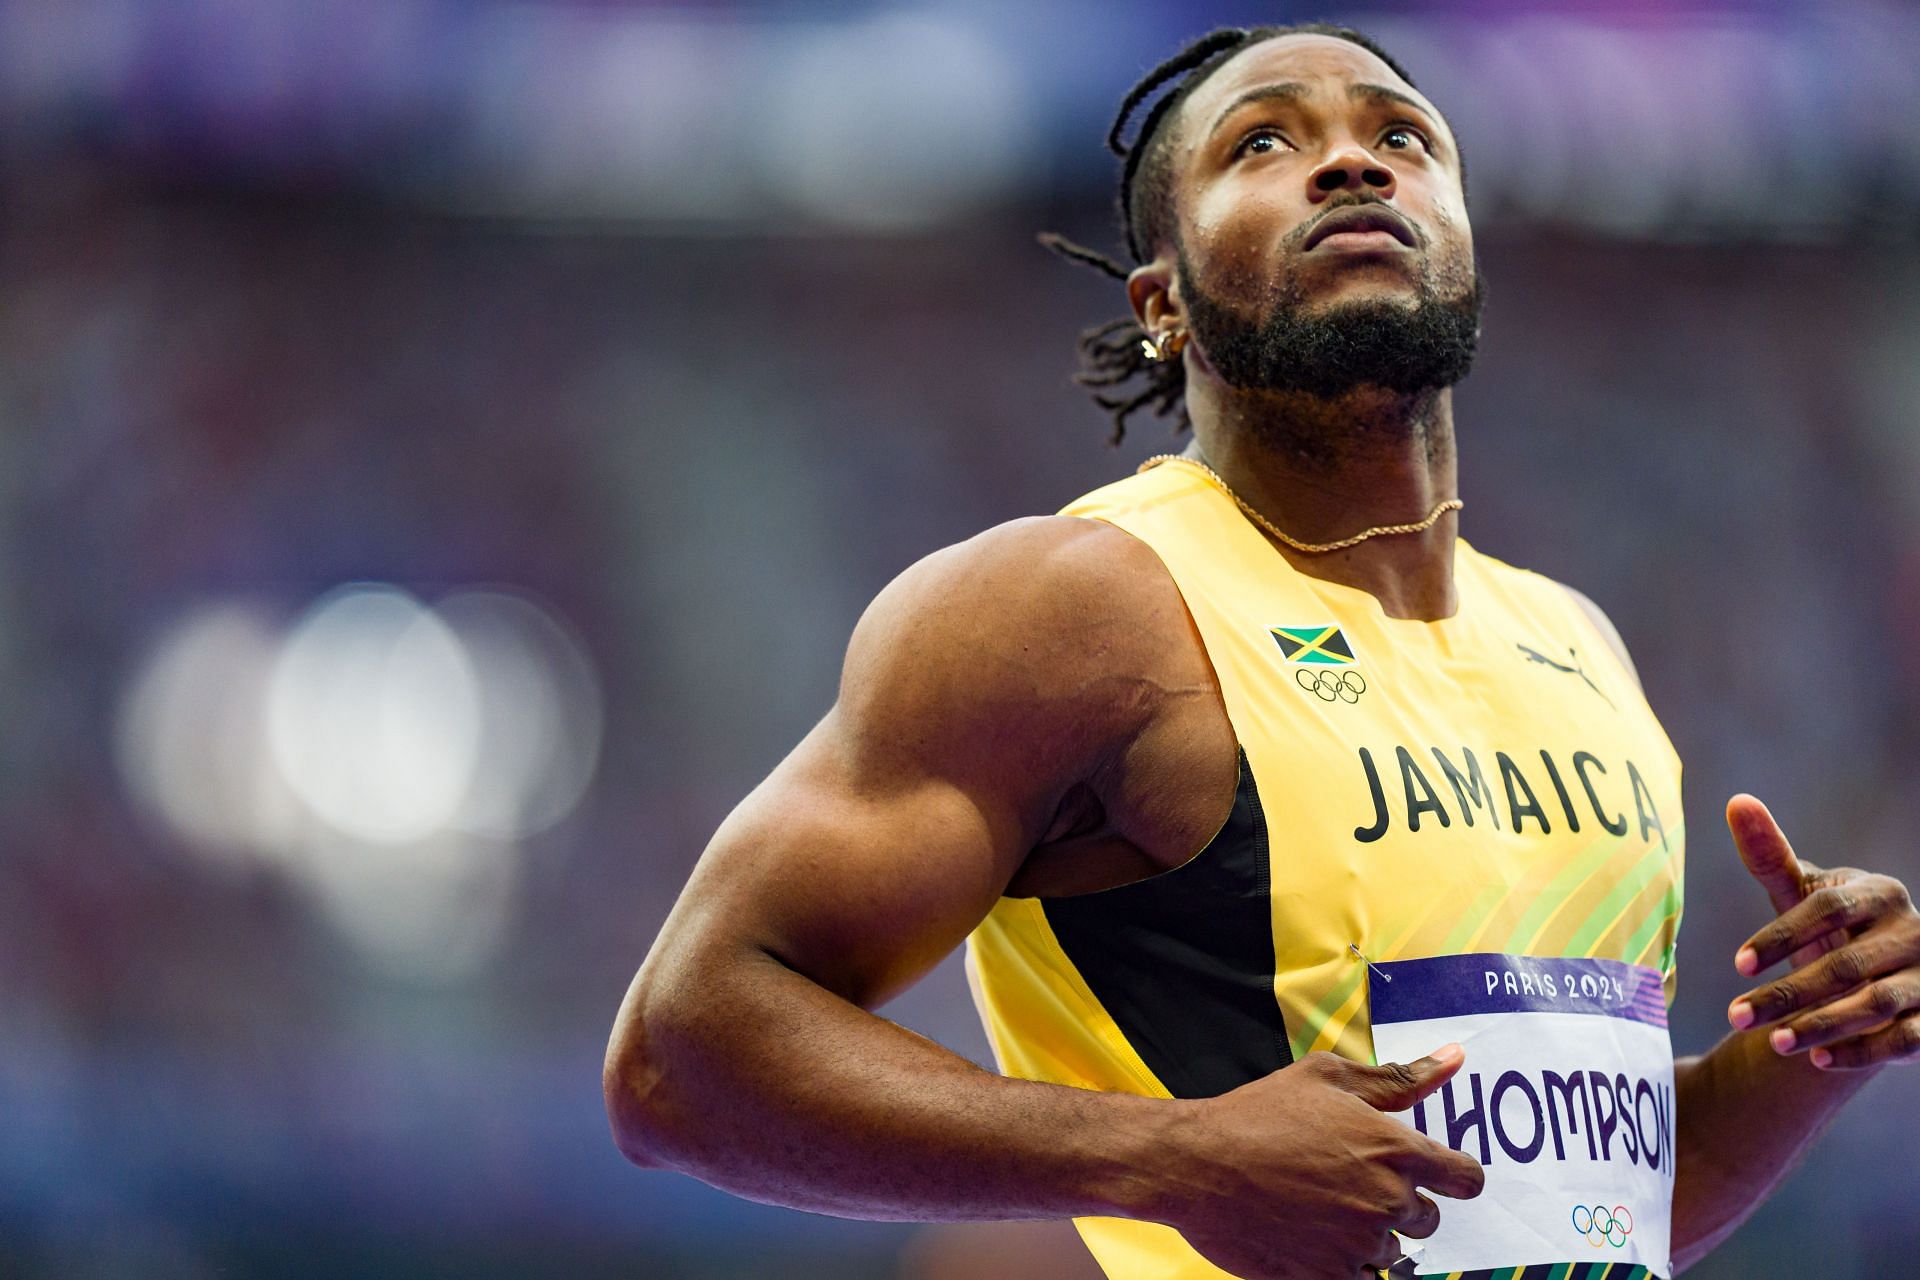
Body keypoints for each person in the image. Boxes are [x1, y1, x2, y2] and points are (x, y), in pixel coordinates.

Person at [604, 23, 1920, 1280]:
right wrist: (1165, 1160)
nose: (1353, 160)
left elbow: (1581, 1217)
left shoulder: (1578, 646)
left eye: (1403, 136)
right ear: (1163, 301)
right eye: (1263, 145)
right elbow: (680, 1058)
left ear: (1460, 242)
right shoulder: (1076, 609)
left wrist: (1814, 1042)